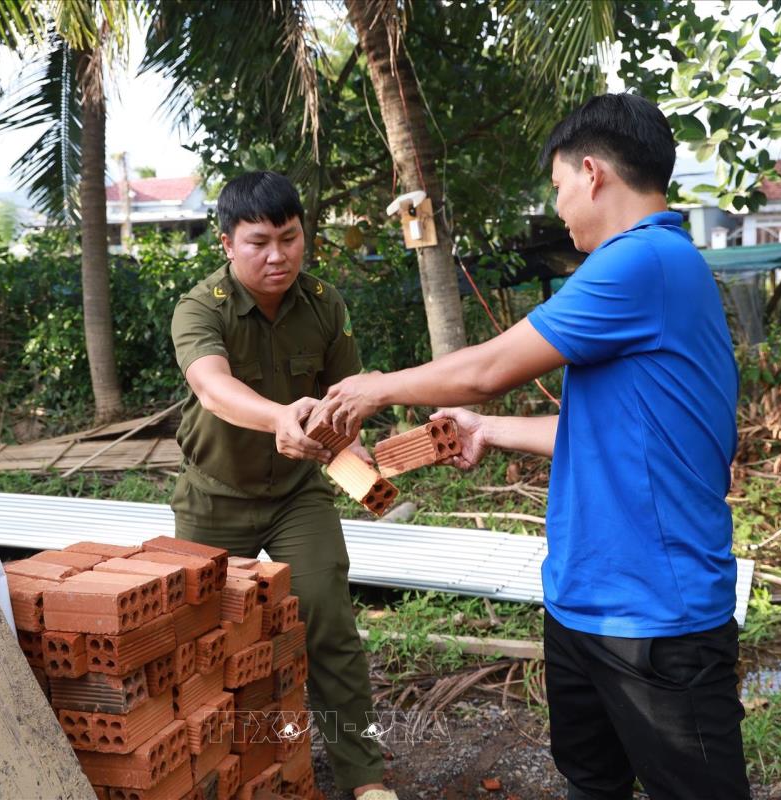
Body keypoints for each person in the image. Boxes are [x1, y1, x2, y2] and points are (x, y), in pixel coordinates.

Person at [312, 94, 749, 799]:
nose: (559, 206)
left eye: (557, 185)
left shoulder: (644, 261)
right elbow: (609, 433)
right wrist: (488, 431)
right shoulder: (648, 269)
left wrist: (376, 388)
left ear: (592, 173)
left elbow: (487, 369)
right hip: (582, 600)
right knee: (592, 783)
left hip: (656, 616)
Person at [169, 171, 395, 800]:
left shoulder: (324, 304)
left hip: (299, 495)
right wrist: (279, 419)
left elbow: (344, 401)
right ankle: (209, 773)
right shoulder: (200, 307)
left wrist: (356, 451)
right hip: (213, 496)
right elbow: (212, 387)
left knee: (329, 622)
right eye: (259, 242)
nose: (278, 256)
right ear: (226, 243)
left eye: (290, 238)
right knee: (203, 639)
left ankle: (364, 776)